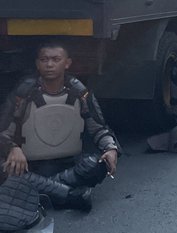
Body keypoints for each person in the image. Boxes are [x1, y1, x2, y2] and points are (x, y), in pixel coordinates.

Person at [0, 40, 119, 216]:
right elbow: (3, 131)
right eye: (44, 59)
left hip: (67, 165)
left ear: (67, 63)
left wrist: (111, 148)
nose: (49, 64)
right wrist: (13, 148)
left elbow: (99, 128)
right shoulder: (24, 91)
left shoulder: (79, 91)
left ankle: (43, 190)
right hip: (29, 166)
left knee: (98, 165)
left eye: (56, 59)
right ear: (37, 64)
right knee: (5, 172)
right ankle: (71, 196)